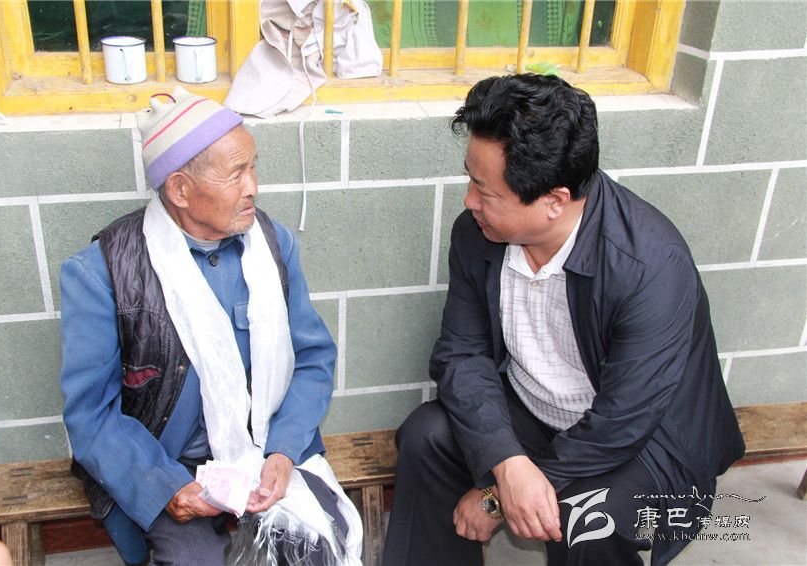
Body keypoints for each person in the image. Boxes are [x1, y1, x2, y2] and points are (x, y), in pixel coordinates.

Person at [382, 74, 745, 566]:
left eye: (485, 192)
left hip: (650, 443)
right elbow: (461, 354)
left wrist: (496, 497)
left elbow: (623, 422)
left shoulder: (648, 266)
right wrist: (508, 465)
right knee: (426, 436)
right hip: (539, 412)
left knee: (583, 516)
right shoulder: (476, 233)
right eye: (470, 179)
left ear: (554, 201)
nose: (469, 201)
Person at [60, 87, 362, 565]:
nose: (253, 186)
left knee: (318, 544)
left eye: (254, 167)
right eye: (236, 174)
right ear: (180, 189)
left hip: (267, 447)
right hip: (170, 467)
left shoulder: (273, 245)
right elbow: (91, 415)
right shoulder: (101, 274)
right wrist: (167, 488)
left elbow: (313, 358)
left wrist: (283, 451)